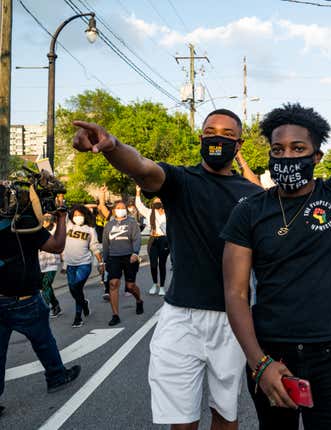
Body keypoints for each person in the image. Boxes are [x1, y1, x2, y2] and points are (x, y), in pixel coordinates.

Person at [221, 12, 331, 429]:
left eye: (298, 148)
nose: (286, 156)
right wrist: (260, 364)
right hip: (270, 354)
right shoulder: (249, 211)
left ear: (317, 156)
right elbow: (236, 295)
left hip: (329, 353)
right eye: (277, 150)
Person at [72, 106, 261, 429]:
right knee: (181, 419)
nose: (218, 140)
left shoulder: (254, 196)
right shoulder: (180, 180)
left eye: (228, 136)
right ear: (200, 139)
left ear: (239, 145)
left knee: (226, 414)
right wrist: (113, 146)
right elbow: (143, 169)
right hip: (180, 318)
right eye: (211, 133)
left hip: (232, 320)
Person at [0, 207, 81, 416]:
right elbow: (56, 246)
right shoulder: (24, 222)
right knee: (43, 340)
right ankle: (56, 376)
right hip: (24, 298)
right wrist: (62, 218)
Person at [102, 201, 144, 326]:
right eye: (118, 208)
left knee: (130, 286)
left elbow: (137, 239)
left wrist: (135, 253)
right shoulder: (109, 225)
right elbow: (105, 244)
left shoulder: (132, 223)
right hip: (113, 257)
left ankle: (139, 300)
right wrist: (104, 261)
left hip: (129, 256)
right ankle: (115, 315)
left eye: (123, 208)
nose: (121, 210)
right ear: (114, 210)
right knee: (113, 284)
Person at [64, 205, 102, 328]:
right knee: (72, 289)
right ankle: (84, 303)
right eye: (75, 215)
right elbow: (62, 214)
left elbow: (94, 247)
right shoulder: (69, 225)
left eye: (80, 215)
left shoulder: (90, 229)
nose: (77, 217)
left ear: (85, 216)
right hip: (70, 265)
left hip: (84, 264)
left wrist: (100, 263)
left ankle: (78, 317)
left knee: (77, 288)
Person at [135, 186, 169, 296]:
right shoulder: (150, 212)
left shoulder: (168, 213)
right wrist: (138, 192)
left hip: (164, 240)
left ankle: (162, 286)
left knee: (162, 264)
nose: (157, 203)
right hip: (153, 240)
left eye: (158, 201)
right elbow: (139, 206)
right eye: (155, 202)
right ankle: (155, 284)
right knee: (153, 264)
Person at [39, 214, 62, 318]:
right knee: (44, 286)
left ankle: (44, 309)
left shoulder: (55, 231)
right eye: (43, 221)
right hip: (40, 263)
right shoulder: (37, 231)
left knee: (46, 284)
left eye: (46, 221)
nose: (44, 223)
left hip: (51, 263)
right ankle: (56, 305)